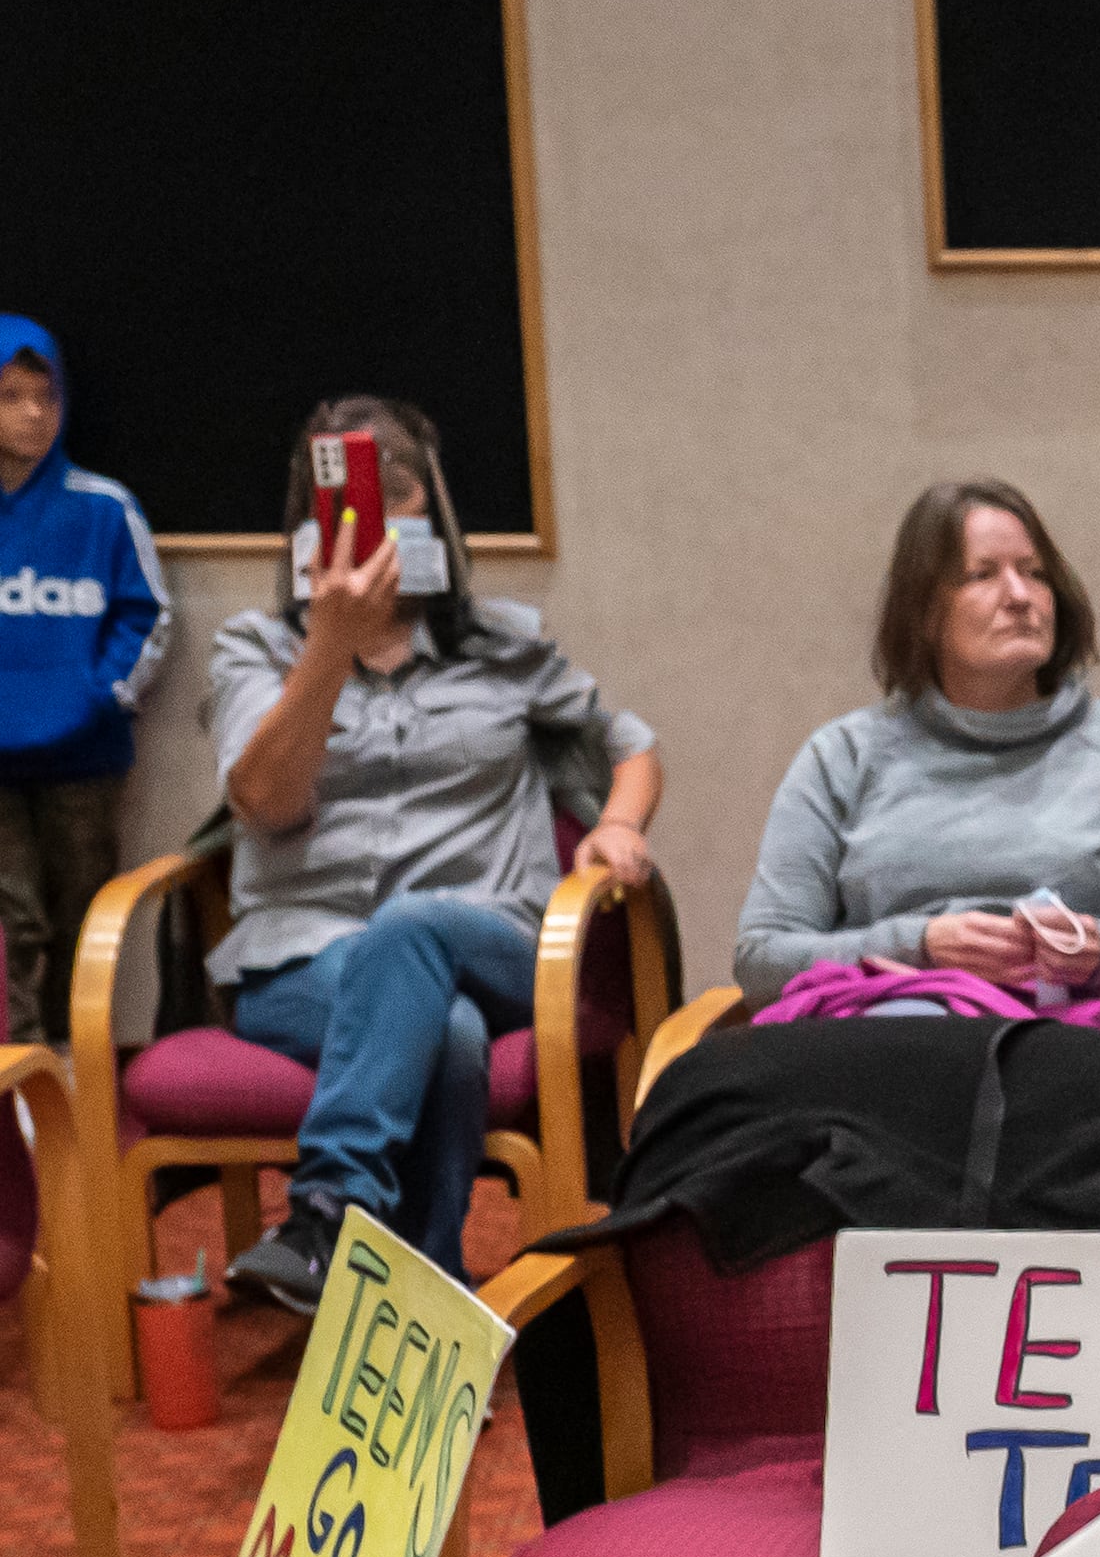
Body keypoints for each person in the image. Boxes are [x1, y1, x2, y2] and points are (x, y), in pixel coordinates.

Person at [204, 396, 659, 1308]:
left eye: (396, 512)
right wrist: (327, 649)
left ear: (434, 522)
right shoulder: (255, 649)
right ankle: (424, 1314)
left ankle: (326, 1210)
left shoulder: (501, 646)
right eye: (348, 517)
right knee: (444, 1035)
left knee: (414, 930)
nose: (375, 541)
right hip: (302, 956)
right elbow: (263, 802)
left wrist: (617, 823)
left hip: (492, 938)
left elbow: (630, 744)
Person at [734, 481, 1100, 1013]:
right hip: (894, 1035)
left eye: (1035, 574)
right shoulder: (843, 757)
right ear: (923, 613)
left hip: (1084, 1044)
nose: (1019, 596)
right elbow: (763, 958)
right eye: (981, 575)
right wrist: (918, 948)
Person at [0, 314, 169, 1042]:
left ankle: (77, 1075)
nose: (33, 413)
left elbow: (150, 614)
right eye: (10, 396)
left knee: (82, 919)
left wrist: (102, 694)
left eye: (47, 396)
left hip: (85, 758)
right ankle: (20, 1085)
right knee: (15, 926)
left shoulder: (104, 507)